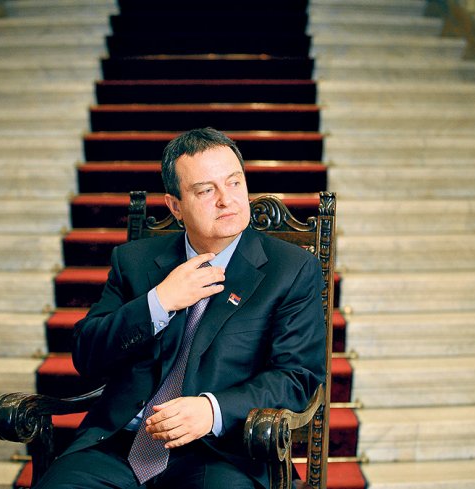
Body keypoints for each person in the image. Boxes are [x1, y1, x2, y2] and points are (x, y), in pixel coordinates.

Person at [36, 127, 326, 489]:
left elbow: (297, 376)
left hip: (221, 453)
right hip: (118, 447)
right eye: (206, 191)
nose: (227, 200)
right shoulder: (134, 261)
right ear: (175, 206)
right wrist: (158, 302)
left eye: (234, 183)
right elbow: (87, 355)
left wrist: (212, 409)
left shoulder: (291, 269)